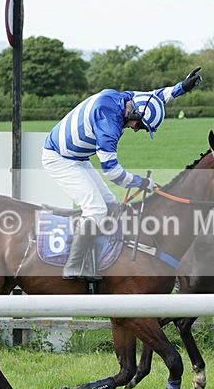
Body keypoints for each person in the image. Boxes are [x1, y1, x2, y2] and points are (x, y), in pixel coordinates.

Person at [42, 67, 203, 281]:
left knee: (110, 205)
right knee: (96, 210)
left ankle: (96, 259)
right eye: (140, 125)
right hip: (59, 159)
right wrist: (144, 183)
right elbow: (113, 173)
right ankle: (73, 265)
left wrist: (182, 88)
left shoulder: (127, 99)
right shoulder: (109, 124)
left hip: (77, 157)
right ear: (133, 113)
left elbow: (156, 96)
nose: (137, 130)